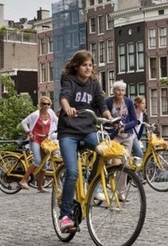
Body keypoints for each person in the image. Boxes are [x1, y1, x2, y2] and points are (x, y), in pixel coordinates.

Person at [56, 50, 112, 233]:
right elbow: (64, 96)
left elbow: (101, 104)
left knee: (104, 151)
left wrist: (110, 118)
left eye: (90, 65)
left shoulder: (94, 83)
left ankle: (93, 182)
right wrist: (67, 108)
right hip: (69, 132)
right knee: (72, 172)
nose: (88, 68)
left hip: (88, 130)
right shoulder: (69, 80)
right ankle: (65, 216)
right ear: (77, 66)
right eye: (84, 65)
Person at [18, 96, 58, 192]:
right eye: (43, 104)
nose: (46, 106)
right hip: (35, 139)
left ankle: (40, 187)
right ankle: (24, 180)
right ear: (40, 104)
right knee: (37, 161)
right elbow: (23, 122)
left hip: (45, 141)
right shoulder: (35, 114)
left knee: (44, 165)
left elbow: (57, 122)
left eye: (48, 104)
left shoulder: (51, 113)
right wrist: (29, 133)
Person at [131, 96, 147, 160]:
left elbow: (141, 123)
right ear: (137, 104)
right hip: (130, 136)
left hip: (135, 137)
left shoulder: (143, 114)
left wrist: (147, 126)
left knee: (138, 153)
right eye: (142, 103)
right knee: (139, 153)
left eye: (145, 103)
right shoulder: (133, 113)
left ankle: (134, 169)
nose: (144, 105)